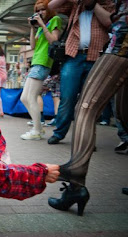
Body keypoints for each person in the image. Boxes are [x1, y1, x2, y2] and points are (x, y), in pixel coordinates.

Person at [48, 0, 127, 215]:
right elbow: (52, 4)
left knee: (86, 107)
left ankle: (76, 177)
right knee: (123, 114)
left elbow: (112, 21)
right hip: (112, 40)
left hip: (122, 41)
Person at [47, 0, 115, 144]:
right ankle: (59, 133)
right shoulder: (75, 5)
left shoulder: (106, 3)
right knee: (67, 97)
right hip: (73, 56)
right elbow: (51, 5)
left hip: (97, 56)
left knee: (90, 101)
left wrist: (93, 4)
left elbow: (109, 22)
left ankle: (86, 139)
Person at [20, 0, 62, 140]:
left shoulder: (55, 20)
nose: (40, 13)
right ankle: (38, 127)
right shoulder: (39, 27)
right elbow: (32, 46)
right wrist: (32, 28)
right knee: (24, 97)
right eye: (38, 10)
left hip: (43, 62)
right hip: (36, 62)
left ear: (49, 9)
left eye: (43, 9)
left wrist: (43, 25)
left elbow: (53, 40)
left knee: (30, 97)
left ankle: (37, 130)